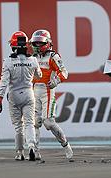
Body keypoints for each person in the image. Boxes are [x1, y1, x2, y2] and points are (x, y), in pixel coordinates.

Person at [0, 31, 42, 161]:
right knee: (29, 123)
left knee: (18, 126)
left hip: (14, 94)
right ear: (26, 45)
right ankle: (32, 147)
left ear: (13, 46)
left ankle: (20, 153)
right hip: (29, 93)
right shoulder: (33, 60)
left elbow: (4, 82)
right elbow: (38, 75)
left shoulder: (8, 62)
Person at [30, 29, 73, 160]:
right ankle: (35, 151)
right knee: (35, 123)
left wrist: (56, 81)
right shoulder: (32, 58)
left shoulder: (53, 56)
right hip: (33, 90)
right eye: (35, 43)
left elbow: (64, 72)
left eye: (40, 43)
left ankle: (66, 145)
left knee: (48, 122)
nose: (37, 46)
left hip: (47, 91)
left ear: (47, 43)